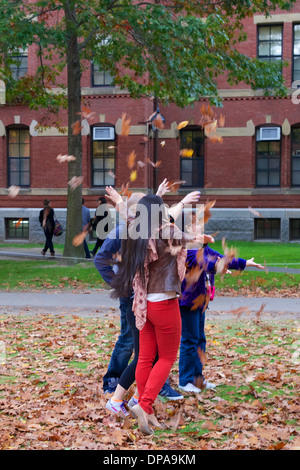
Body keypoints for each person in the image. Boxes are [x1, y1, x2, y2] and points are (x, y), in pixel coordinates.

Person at [105, 185, 214, 435]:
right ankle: (144, 405)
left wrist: (120, 201)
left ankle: (147, 411)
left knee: (145, 358)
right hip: (164, 304)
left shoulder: (139, 231)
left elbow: (130, 216)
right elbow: (187, 238)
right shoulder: (167, 231)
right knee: (165, 358)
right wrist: (201, 238)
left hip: (144, 305)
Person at [94, 182, 197, 405]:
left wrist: (153, 198)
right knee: (146, 350)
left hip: (145, 299)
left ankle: (139, 397)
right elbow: (100, 259)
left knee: (147, 353)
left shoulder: (138, 229)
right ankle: (128, 395)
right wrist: (121, 285)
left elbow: (150, 218)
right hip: (146, 299)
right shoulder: (137, 232)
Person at [178, 244, 264, 393]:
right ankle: (185, 381)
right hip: (188, 302)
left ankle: (197, 379)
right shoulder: (188, 252)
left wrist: (244, 263)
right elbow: (207, 263)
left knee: (200, 339)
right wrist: (219, 264)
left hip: (200, 301)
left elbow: (222, 259)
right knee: (190, 340)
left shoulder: (204, 249)